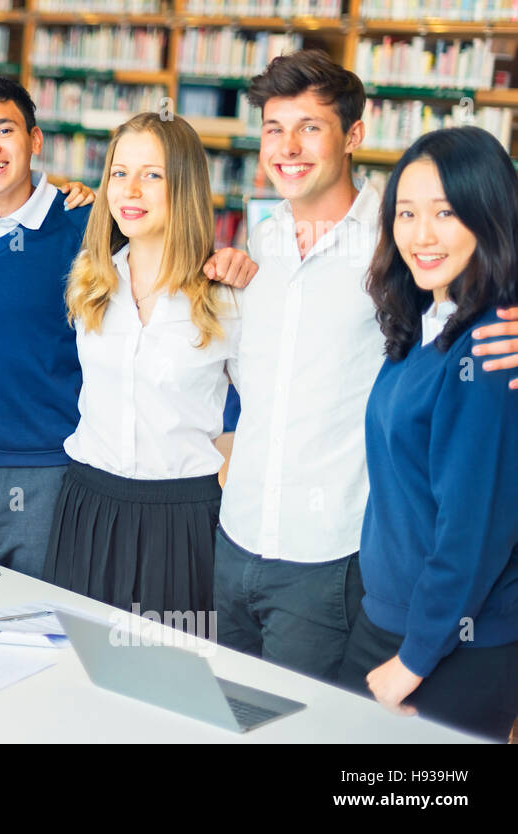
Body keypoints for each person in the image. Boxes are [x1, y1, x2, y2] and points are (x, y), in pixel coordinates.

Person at [212, 50, 518, 682]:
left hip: (332, 557)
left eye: (310, 128)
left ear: (353, 135)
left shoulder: (402, 239)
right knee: (230, 713)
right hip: (235, 535)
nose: (288, 147)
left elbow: (487, 258)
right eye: (274, 129)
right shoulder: (261, 240)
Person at [0, 77, 255, 581]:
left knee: (48, 618)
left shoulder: (86, 225)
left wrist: (225, 259)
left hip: (57, 468)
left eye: (3, 130)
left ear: (35, 141)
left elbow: (163, 241)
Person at [339, 127, 518, 742]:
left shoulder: (492, 350)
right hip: (398, 621)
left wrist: (413, 661)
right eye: (407, 213)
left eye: (446, 213)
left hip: (448, 646)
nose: (421, 235)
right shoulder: (422, 322)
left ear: (488, 215)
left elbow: (473, 529)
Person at [44, 112, 240, 618]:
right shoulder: (90, 279)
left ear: (186, 186)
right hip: (88, 504)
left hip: (182, 519)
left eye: (152, 174)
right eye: (118, 172)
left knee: (171, 680)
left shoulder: (224, 296)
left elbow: (265, 414)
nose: (130, 189)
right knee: (77, 670)